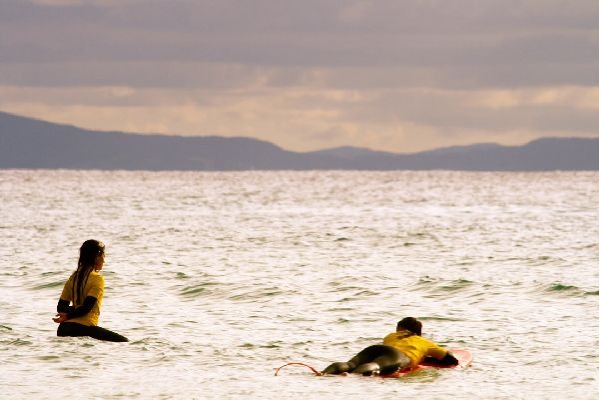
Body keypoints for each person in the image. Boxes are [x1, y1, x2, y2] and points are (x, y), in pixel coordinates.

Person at [322, 317, 457, 376]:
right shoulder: (424, 342)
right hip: (397, 356)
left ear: (400, 328)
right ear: (419, 332)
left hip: (376, 349)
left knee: (350, 364)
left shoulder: (390, 336)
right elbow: (451, 359)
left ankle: (325, 373)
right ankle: (352, 378)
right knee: (376, 365)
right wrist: (426, 358)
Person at [52, 240, 128, 342]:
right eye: (103, 257)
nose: (104, 261)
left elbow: (61, 307)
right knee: (124, 341)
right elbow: (86, 308)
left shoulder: (73, 277)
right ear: (97, 257)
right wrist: (72, 313)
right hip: (83, 329)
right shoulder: (97, 279)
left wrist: (69, 315)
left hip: (63, 329)